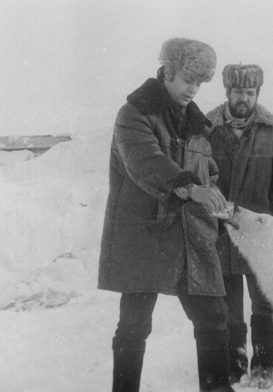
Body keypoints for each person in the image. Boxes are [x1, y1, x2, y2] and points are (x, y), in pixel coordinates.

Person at [98, 38, 236, 392]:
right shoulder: (134, 114)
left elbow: (208, 171)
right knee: (135, 324)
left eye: (199, 83)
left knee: (213, 317)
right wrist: (190, 187)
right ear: (168, 72)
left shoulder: (197, 124)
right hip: (144, 233)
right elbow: (146, 162)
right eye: (188, 79)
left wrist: (214, 196)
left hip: (191, 234)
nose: (193, 89)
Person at [205, 64, 273, 387]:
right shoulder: (208, 130)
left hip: (260, 234)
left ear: (257, 94)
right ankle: (235, 364)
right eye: (238, 92)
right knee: (227, 305)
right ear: (227, 92)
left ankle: (262, 365)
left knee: (263, 303)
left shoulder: (272, 132)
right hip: (221, 233)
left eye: (250, 92)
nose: (243, 98)